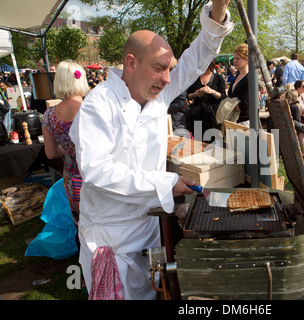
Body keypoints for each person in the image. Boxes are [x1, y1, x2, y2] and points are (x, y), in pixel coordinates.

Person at [69, 0, 233, 300]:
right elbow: (97, 173)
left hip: (148, 229)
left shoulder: (157, 93)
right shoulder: (98, 106)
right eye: (160, 68)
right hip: (113, 239)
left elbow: (196, 58)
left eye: (169, 69)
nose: (168, 79)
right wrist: (167, 183)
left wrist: (219, 6)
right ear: (131, 63)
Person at [42, 61, 90, 226]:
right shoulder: (92, 109)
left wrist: (64, 148)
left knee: (82, 225)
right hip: (96, 176)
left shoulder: (49, 116)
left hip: (72, 180)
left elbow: (50, 153)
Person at [185, 60, 226, 142]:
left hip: (213, 116)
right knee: (198, 142)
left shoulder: (218, 78)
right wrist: (195, 94)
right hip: (197, 115)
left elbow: (223, 96)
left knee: (214, 143)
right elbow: (188, 95)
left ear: (210, 65)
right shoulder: (195, 78)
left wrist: (211, 91)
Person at [228, 43, 249, 126]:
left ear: (247, 60)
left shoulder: (249, 79)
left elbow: (245, 105)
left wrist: (230, 105)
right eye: (234, 58)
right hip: (235, 121)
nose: (234, 61)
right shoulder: (238, 77)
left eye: (238, 58)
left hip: (244, 122)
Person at [286, 88, 304, 158]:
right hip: (291, 127)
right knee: (302, 130)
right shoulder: (295, 107)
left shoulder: (286, 105)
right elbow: (298, 120)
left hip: (284, 126)